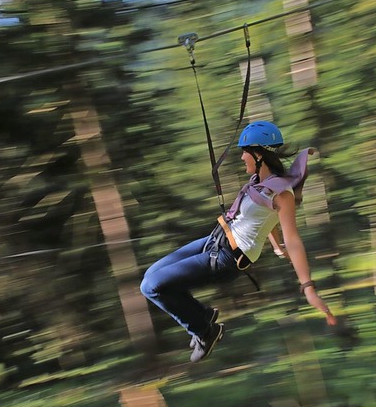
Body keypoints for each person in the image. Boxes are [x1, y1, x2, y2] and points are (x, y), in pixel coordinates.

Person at [140, 121, 337, 363]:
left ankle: (204, 331)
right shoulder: (258, 184)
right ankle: (202, 316)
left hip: (227, 259)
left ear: (259, 155)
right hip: (214, 240)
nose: (242, 157)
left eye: (245, 152)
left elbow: (293, 238)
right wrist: (275, 245)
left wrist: (308, 288)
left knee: (151, 286)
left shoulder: (282, 193)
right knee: (151, 275)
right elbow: (266, 218)